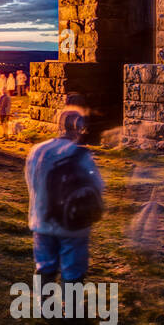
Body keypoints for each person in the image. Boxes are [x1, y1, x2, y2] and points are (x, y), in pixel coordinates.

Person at [25, 106, 105, 282]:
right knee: (73, 272)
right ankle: (72, 309)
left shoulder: (37, 150)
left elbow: (31, 182)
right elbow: (98, 185)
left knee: (45, 268)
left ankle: (46, 308)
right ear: (79, 127)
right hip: (73, 223)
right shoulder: (80, 154)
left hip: (42, 220)